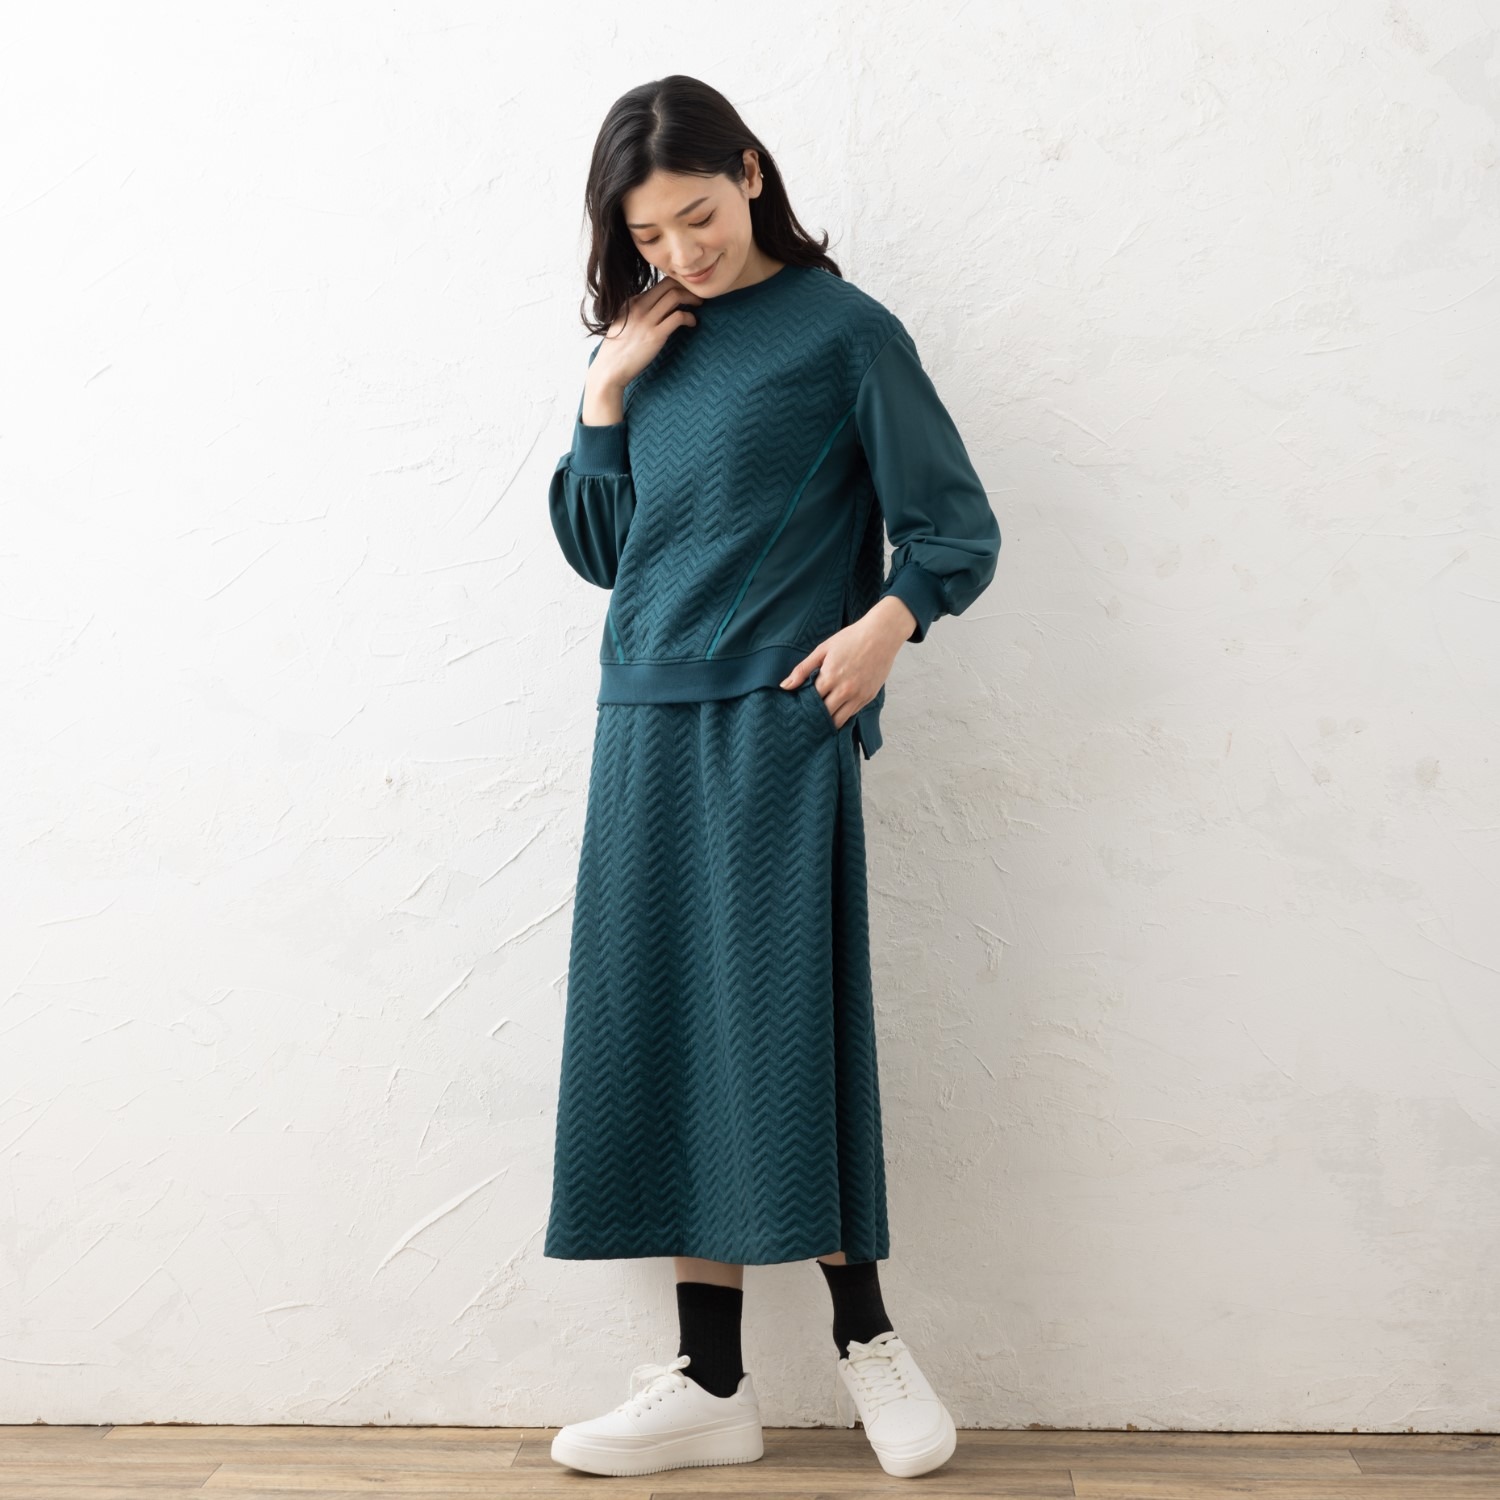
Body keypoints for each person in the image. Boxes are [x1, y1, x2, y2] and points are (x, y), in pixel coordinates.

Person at [542, 75, 1001, 1481]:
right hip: (643, 724)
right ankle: (710, 1380)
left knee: (783, 1031)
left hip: (775, 724)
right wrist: (604, 396)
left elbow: (955, 526)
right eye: (649, 233)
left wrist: (887, 623)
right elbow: (603, 551)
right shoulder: (646, 343)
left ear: (750, 172)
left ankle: (870, 1342)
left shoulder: (844, 334)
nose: (682, 251)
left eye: (698, 214)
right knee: (671, 1029)